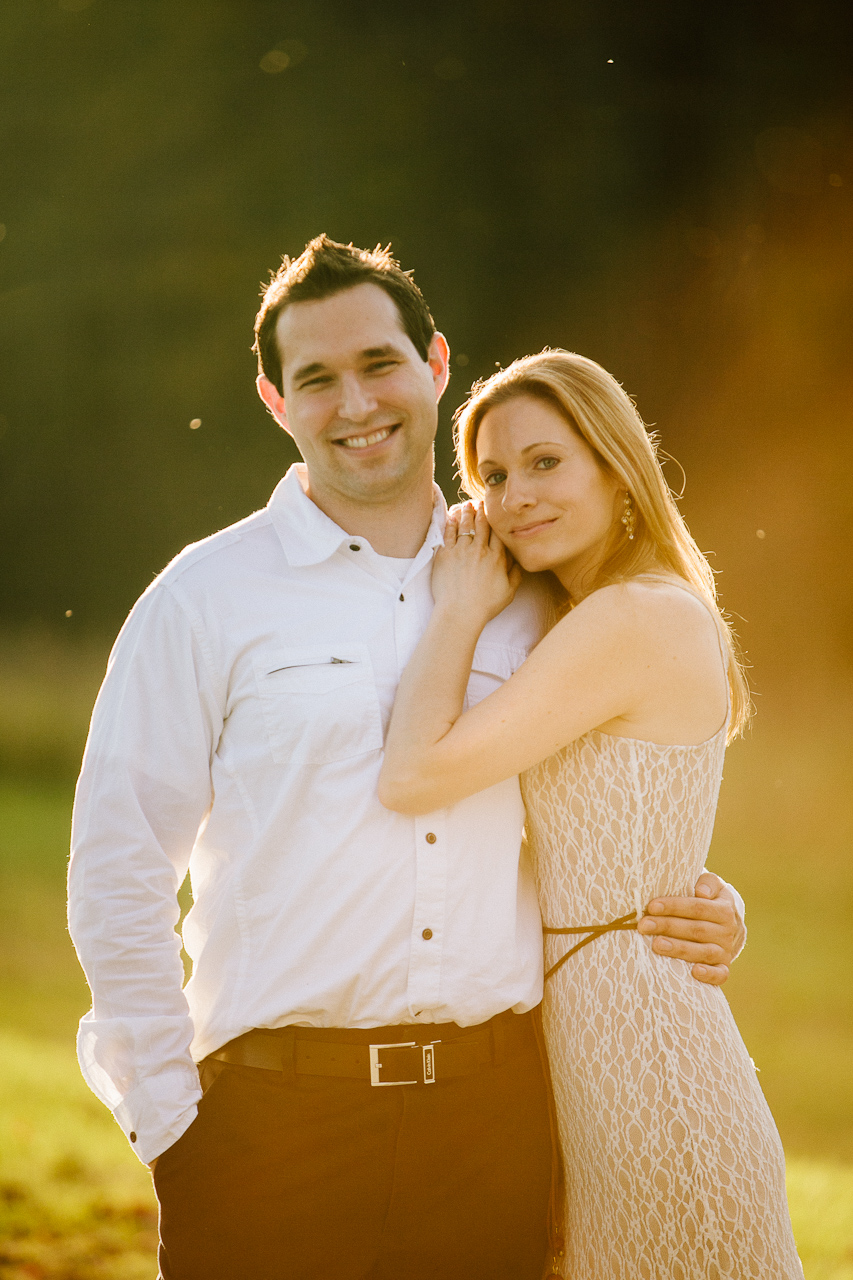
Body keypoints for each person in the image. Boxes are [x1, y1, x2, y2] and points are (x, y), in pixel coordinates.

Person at [68, 238, 745, 1280]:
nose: (355, 402)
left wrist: (700, 898)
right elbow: (118, 867)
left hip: (500, 1121)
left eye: (378, 363)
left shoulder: (539, 590)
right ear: (274, 399)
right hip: (270, 1125)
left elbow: (618, 778)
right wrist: (172, 1123)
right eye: (316, 378)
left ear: (433, 365)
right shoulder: (205, 598)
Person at [378, 349, 803, 1278]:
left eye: (544, 462)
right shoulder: (584, 615)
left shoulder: (633, 618)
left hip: (654, 1071)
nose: (512, 495)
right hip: (594, 1060)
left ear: (616, 468)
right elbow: (621, 825)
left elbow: (412, 777)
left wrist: (454, 612)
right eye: (490, 475)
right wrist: (711, 898)